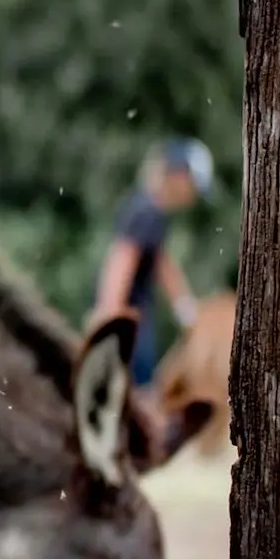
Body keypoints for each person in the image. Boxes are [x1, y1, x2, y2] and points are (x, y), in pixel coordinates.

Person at [91, 138, 213, 387]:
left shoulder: (152, 212)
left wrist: (186, 309)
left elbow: (161, 262)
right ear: (179, 175)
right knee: (139, 396)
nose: (193, 196)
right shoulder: (146, 212)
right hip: (129, 323)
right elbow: (122, 259)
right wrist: (109, 315)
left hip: (136, 322)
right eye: (194, 186)